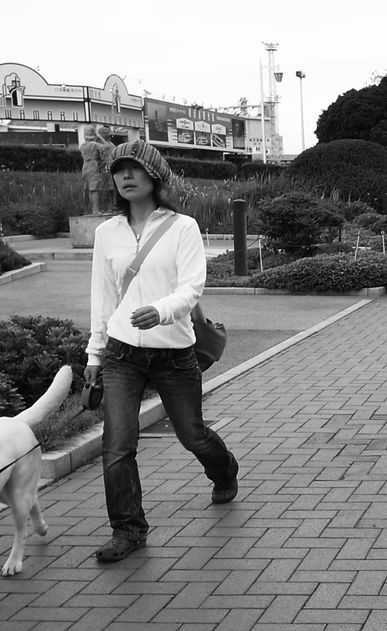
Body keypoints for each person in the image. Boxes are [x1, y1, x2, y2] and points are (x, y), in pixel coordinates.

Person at [85, 139, 240, 563]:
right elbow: (102, 296)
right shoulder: (106, 233)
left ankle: (224, 468)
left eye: (135, 168)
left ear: (155, 176)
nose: (126, 176)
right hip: (121, 353)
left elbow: (191, 287)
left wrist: (162, 311)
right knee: (118, 444)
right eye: (119, 170)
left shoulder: (182, 227)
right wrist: (94, 355)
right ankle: (128, 530)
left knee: (192, 434)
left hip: (173, 352)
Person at [79, 125, 115, 214]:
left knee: (91, 189)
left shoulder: (82, 145)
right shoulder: (94, 144)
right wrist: (99, 136)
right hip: (93, 166)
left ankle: (94, 209)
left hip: (85, 166)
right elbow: (106, 147)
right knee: (94, 189)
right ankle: (96, 210)